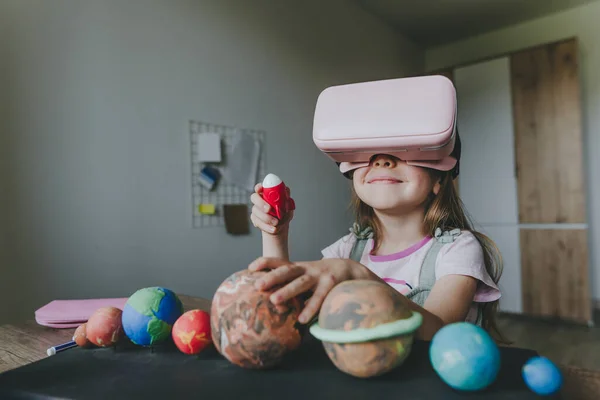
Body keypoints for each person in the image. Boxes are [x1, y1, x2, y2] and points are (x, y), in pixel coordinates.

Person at [248, 131, 506, 343]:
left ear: (438, 177)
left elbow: (439, 335)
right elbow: (282, 316)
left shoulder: (457, 249)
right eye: (369, 152)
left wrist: (360, 275)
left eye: (403, 149)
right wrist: (275, 234)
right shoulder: (346, 251)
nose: (381, 160)